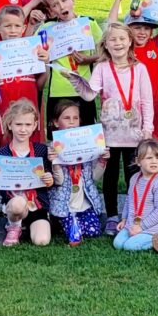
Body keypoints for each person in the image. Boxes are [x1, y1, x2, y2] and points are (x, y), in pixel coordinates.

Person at [66, 22, 154, 236]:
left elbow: (147, 101)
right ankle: (113, 216)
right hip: (110, 136)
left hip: (135, 135)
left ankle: (134, 216)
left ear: (130, 41)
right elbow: (89, 94)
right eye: (113, 39)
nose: (118, 43)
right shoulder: (103, 68)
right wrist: (76, 82)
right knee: (111, 177)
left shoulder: (140, 68)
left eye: (122, 39)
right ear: (105, 43)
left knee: (135, 176)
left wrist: (148, 129)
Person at [0, 5, 50, 218]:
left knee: (33, 154)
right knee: (9, 157)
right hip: (5, 119)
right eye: (7, 26)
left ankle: (36, 204)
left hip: (30, 118)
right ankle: (11, 205)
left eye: (17, 26)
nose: (13, 30)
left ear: (24, 27)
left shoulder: (31, 51)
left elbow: (40, 85)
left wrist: (46, 64)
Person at [108, 0, 158, 151]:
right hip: (133, 108)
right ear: (127, 29)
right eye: (137, 27)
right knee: (137, 154)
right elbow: (110, 27)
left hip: (157, 106)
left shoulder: (157, 44)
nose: (142, 32)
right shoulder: (124, 47)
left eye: (146, 28)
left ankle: (157, 178)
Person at [0, 100, 55, 247]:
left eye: (27, 125)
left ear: (35, 126)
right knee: (19, 203)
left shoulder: (41, 152)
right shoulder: (1, 155)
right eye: (18, 124)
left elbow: (51, 182)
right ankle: (13, 226)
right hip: (14, 206)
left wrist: (49, 179)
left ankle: (26, 226)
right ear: (9, 125)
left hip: (37, 205)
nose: (23, 129)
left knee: (42, 241)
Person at [40, 0, 102, 126]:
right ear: (50, 10)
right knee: (60, 138)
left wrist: (89, 59)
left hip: (84, 89)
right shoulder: (47, 28)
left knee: (86, 136)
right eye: (54, 5)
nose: (61, 6)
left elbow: (106, 52)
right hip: (59, 91)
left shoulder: (89, 23)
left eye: (63, 0)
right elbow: (31, 49)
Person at [47, 100, 108, 246]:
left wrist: (102, 161)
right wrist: (55, 163)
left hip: (83, 203)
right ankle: (59, 221)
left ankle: (70, 223)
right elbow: (59, 181)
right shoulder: (52, 149)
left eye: (75, 118)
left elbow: (94, 177)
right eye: (66, 118)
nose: (72, 122)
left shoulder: (88, 144)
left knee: (94, 231)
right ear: (56, 122)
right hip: (64, 205)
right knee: (75, 233)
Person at [114, 139, 158, 251]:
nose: (154, 161)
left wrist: (141, 227)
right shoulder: (134, 178)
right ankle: (141, 237)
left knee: (129, 246)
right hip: (132, 225)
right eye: (149, 158)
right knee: (118, 244)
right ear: (138, 161)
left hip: (151, 228)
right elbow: (129, 200)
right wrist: (124, 219)